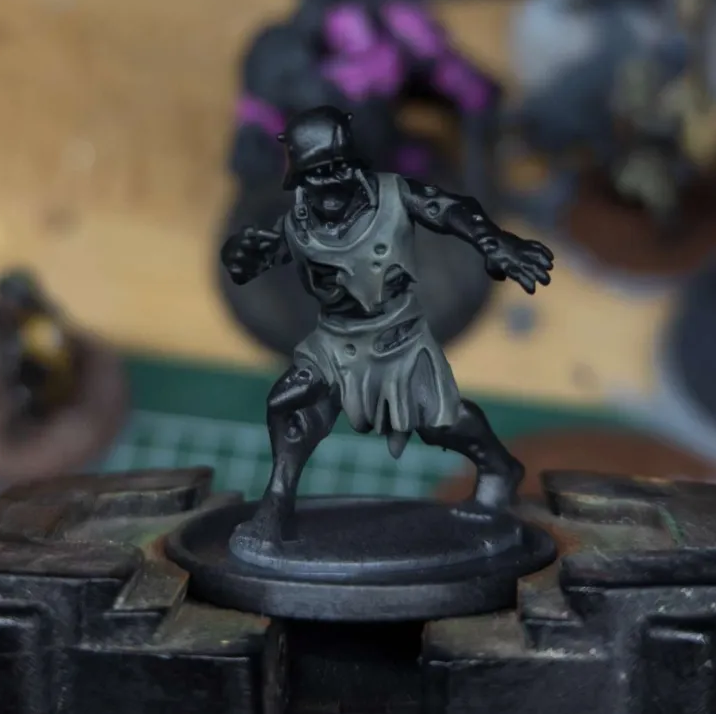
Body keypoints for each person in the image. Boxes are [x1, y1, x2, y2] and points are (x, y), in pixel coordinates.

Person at [221, 106, 553, 546]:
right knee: (290, 406)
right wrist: (241, 256)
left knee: (437, 420)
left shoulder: (393, 197)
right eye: (316, 175)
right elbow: (259, 257)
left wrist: (495, 242)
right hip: (334, 340)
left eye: (338, 170)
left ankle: (497, 466)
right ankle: (277, 503)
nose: (330, 185)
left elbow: (449, 209)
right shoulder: (299, 223)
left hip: (395, 335)